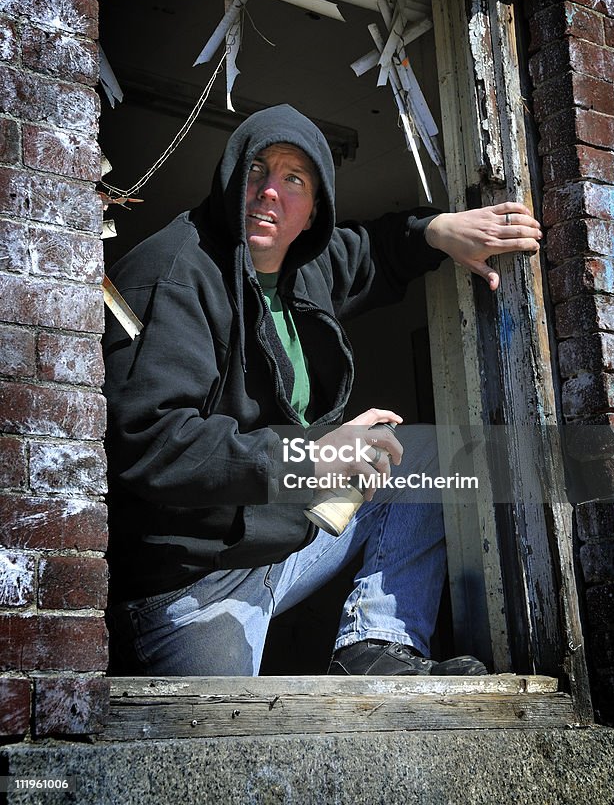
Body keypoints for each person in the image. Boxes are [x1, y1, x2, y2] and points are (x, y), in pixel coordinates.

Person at [104, 104, 542, 677]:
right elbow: (154, 443)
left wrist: (439, 232)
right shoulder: (173, 274)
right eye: (258, 170)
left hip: (276, 545)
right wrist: (313, 457)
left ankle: (374, 645)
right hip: (193, 585)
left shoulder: (300, 262)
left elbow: (374, 251)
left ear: (313, 212)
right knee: (225, 753)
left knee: (431, 456)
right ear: (232, 176)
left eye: (294, 180)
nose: (269, 193)